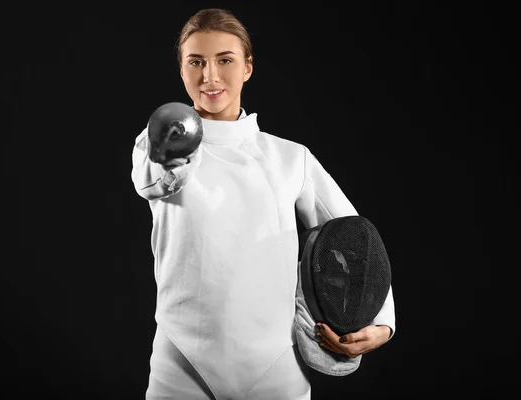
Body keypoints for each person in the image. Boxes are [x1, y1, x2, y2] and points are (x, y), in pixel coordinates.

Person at [131, 8, 396, 400]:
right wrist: (170, 155)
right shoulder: (157, 142)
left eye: (225, 60)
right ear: (182, 70)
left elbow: (359, 240)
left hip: (274, 363)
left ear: (248, 67)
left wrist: (380, 322)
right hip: (181, 362)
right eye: (196, 62)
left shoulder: (290, 158)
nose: (210, 76)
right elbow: (154, 179)